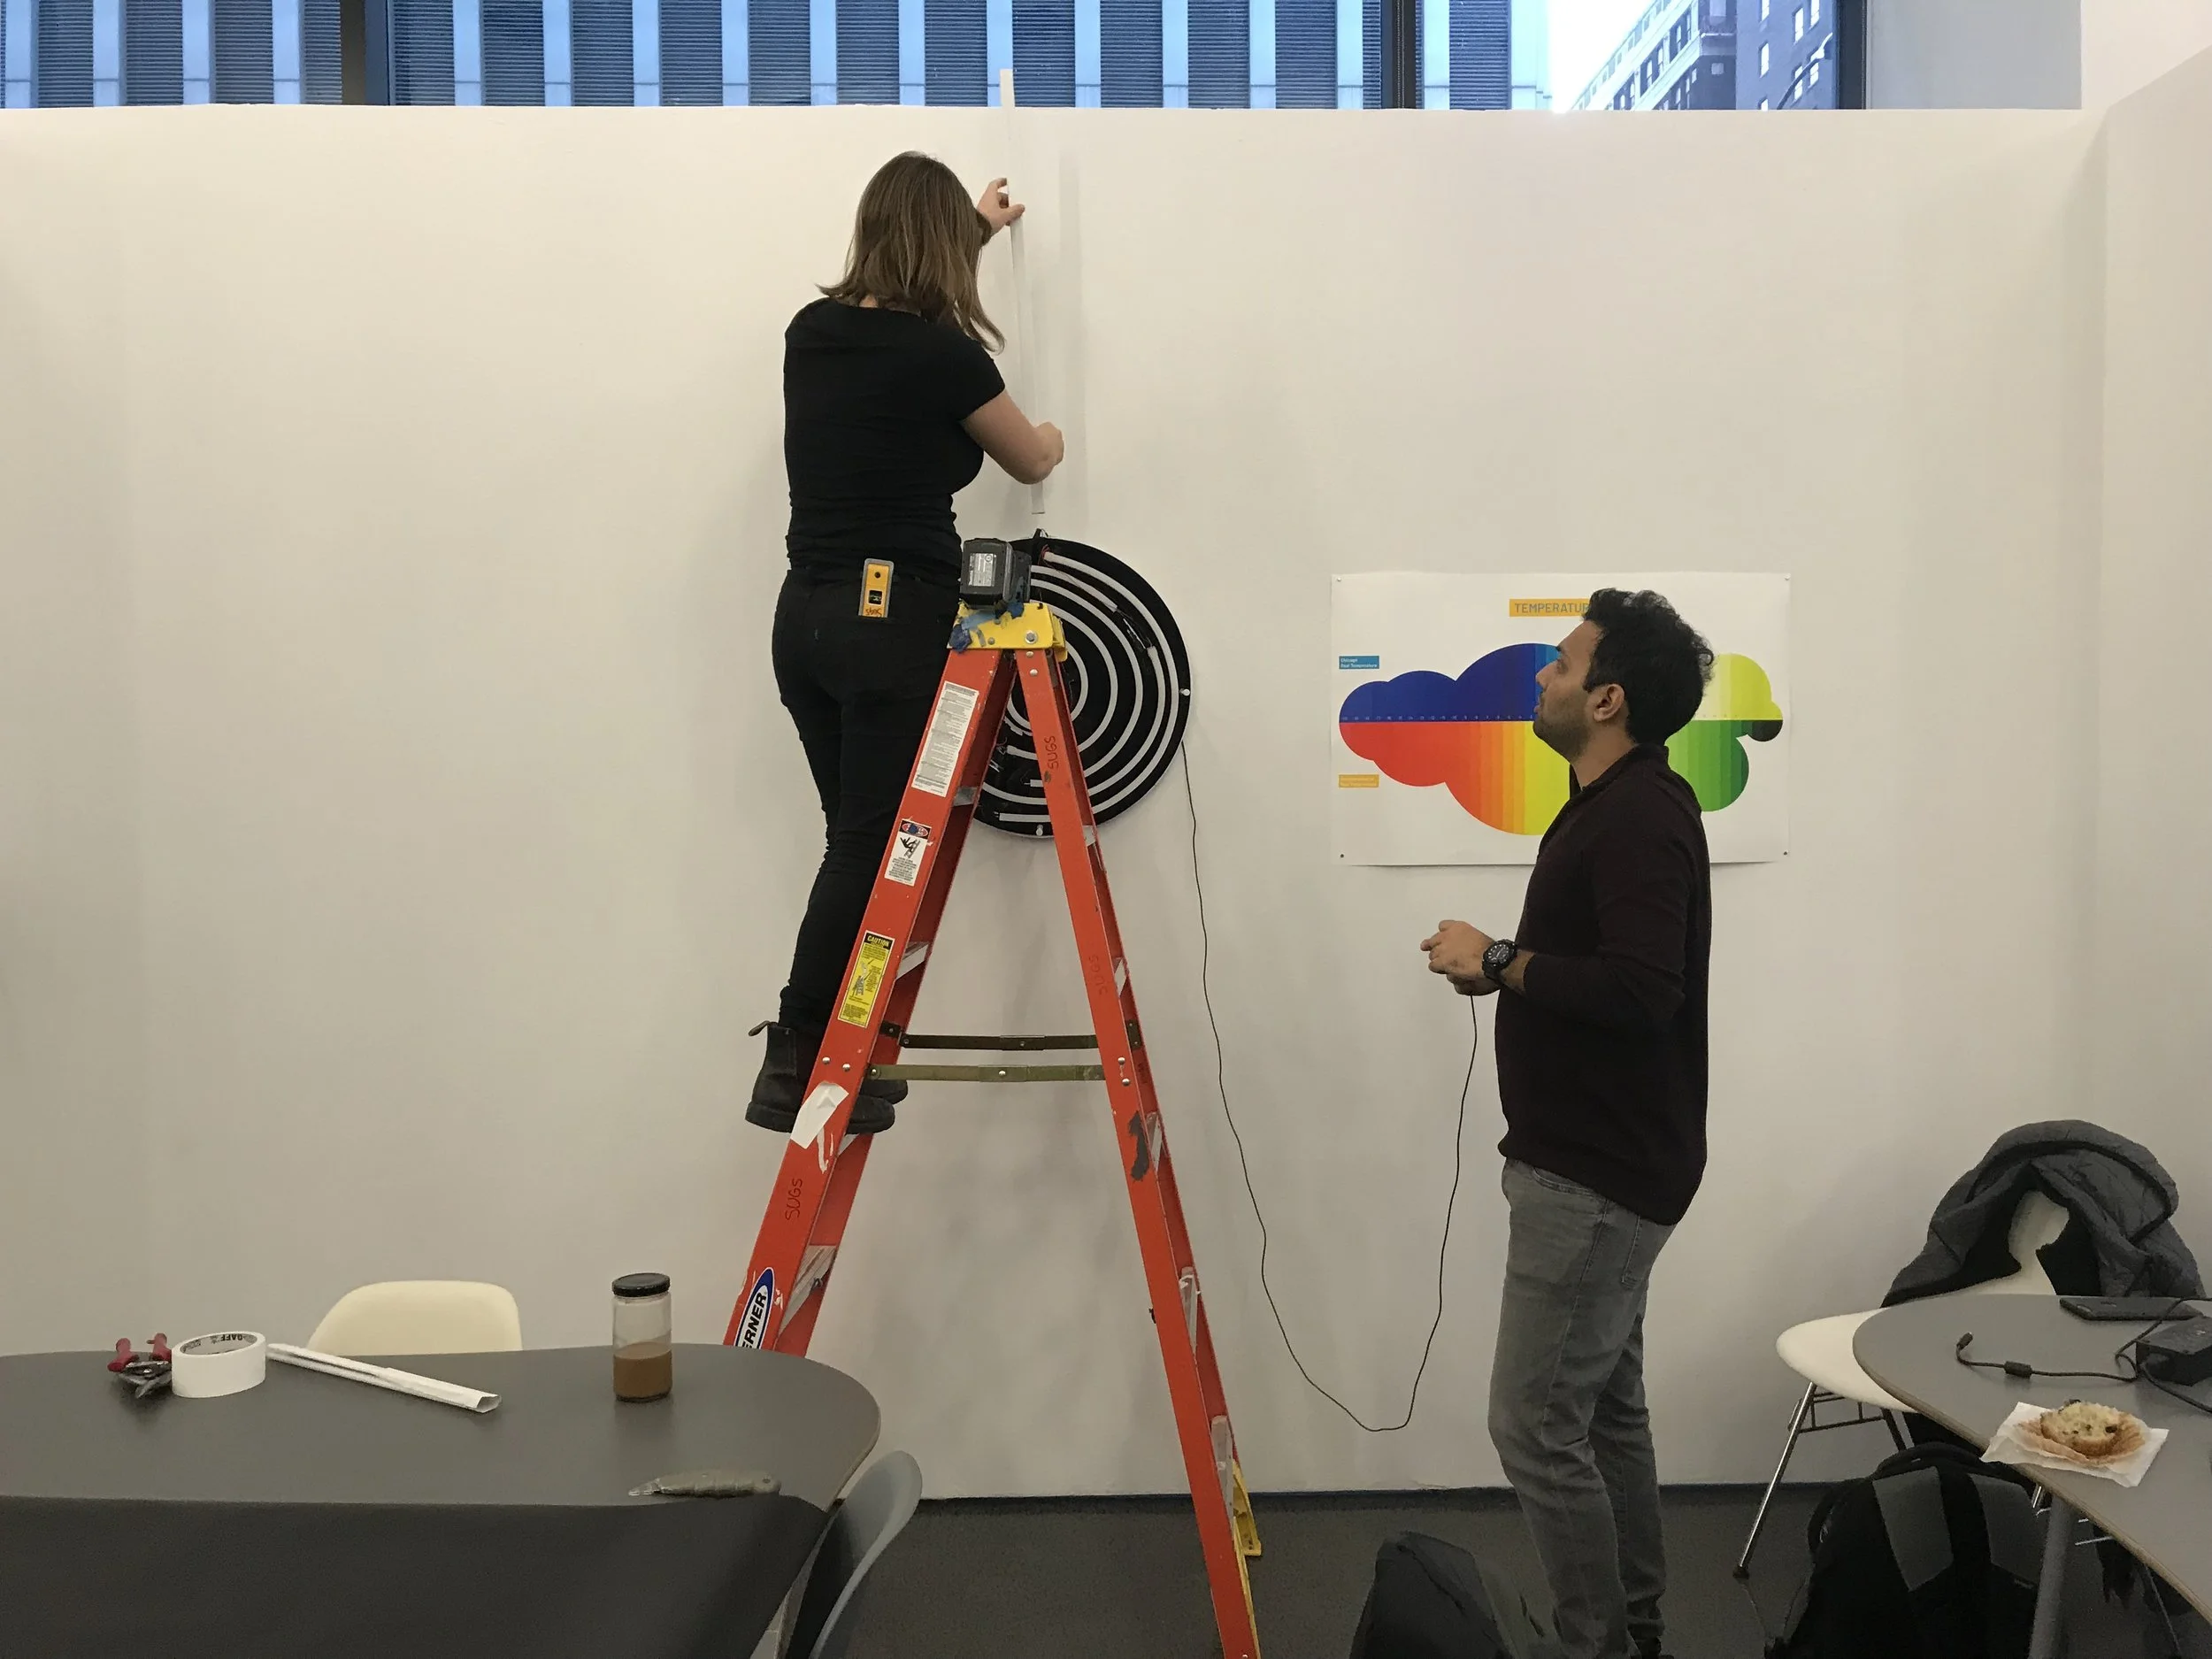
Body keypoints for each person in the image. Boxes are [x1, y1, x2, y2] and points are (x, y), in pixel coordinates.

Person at [1420, 589, 1714, 1659]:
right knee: (1600, 1413)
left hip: (1593, 1179)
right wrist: (1509, 973)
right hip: (1605, 1165)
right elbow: (1607, 974)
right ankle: (1632, 1632)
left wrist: (1499, 959)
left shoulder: (1637, 815)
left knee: (1535, 1427)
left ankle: (1599, 1646)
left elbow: (1643, 991)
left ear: (1607, 698)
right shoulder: (1618, 803)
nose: (1540, 677)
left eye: (1558, 664)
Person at [748, 152, 1064, 1136]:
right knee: (870, 847)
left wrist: (973, 224)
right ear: (940, 248)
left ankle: (841, 1051)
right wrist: (1053, 434)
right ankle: (799, 1053)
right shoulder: (945, 359)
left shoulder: (813, 334)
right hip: (889, 620)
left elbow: (894, 307)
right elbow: (1028, 453)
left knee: (862, 845)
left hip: (804, 620)